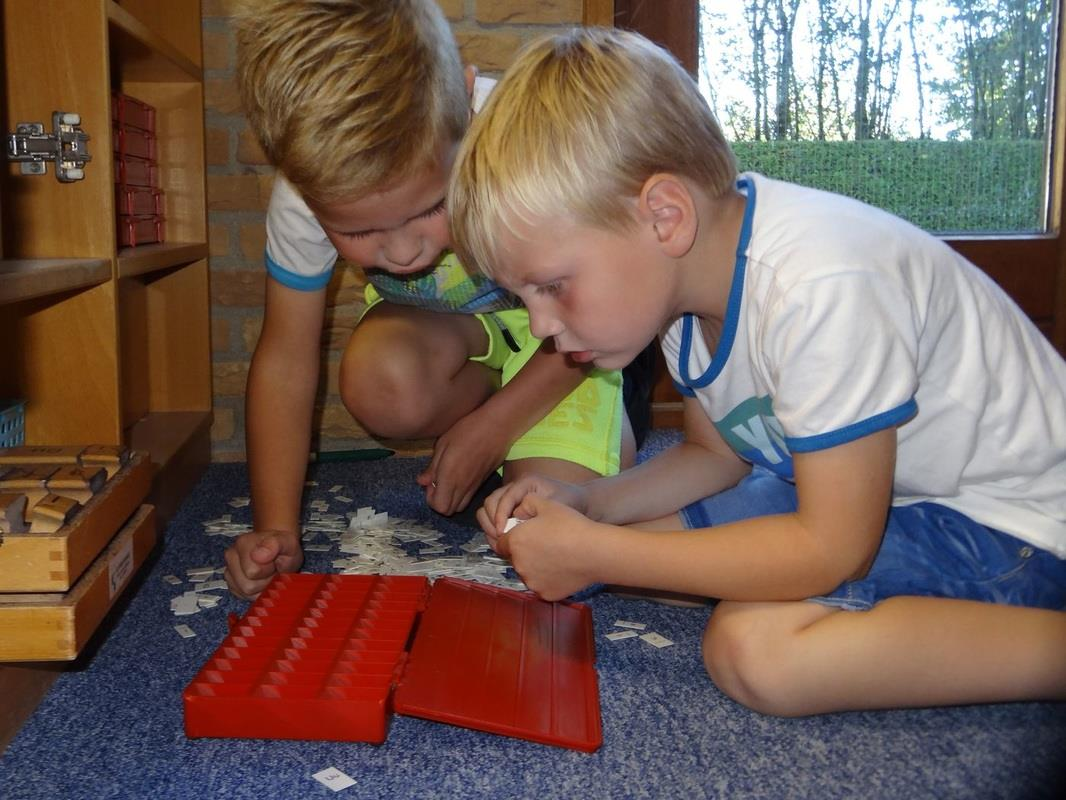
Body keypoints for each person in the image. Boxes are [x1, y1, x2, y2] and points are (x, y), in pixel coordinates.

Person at [449, 27, 1066, 715]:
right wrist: (591, 508)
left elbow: (834, 550)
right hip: (882, 496)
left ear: (663, 217)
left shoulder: (819, 284)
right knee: (637, 556)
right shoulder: (689, 291)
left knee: (755, 649)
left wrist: (597, 554)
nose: (538, 326)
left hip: (1022, 529)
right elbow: (715, 456)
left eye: (553, 286)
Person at [222, 1, 646, 600]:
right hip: (454, 335)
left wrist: (494, 429)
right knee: (380, 380)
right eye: (360, 232)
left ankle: (560, 421)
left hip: (570, 342)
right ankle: (505, 404)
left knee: (549, 538)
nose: (400, 254)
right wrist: (274, 528)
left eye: (429, 209)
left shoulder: (524, 142)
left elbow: (602, 312)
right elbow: (286, 360)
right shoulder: (305, 191)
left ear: (465, 108)